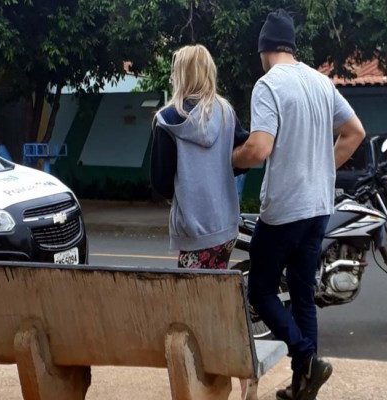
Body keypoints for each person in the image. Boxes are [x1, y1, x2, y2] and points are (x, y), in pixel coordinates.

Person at [232, 9, 366, 400]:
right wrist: (322, 169)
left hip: (285, 209)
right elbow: (355, 132)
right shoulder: (321, 83)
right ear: (291, 46)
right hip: (319, 206)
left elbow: (258, 148)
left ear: (264, 50)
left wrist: (231, 160)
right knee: (304, 296)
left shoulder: (269, 85)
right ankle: (303, 386)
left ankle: (306, 357)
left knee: (260, 290)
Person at [149, 44, 249, 398]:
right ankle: (234, 373)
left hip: (193, 229)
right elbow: (241, 155)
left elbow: (160, 181)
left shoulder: (166, 120)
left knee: (190, 312)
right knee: (213, 295)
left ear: (180, 74)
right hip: (225, 227)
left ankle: (211, 376)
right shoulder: (226, 113)